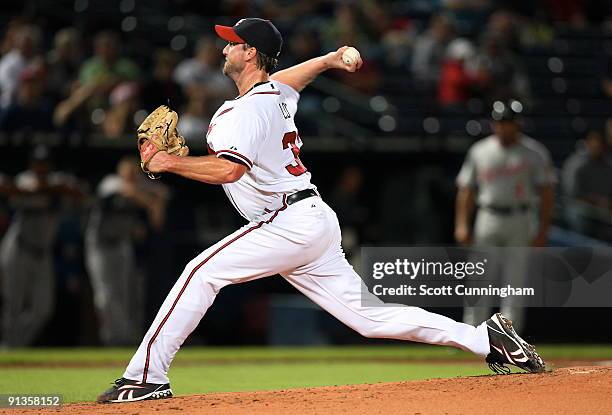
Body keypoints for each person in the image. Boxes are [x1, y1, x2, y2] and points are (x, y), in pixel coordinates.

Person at [97, 19, 545, 404]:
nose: (224, 47)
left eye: (233, 42)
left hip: (288, 221)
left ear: (250, 53)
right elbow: (293, 77)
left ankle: (146, 377)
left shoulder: (248, 110)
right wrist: (329, 59)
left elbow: (231, 172)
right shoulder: (273, 94)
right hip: (310, 220)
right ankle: (486, 338)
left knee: (200, 271)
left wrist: (167, 162)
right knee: (370, 318)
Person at [455, 100, 555, 333]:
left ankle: (511, 338)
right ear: (493, 124)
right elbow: (466, 190)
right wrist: (461, 224)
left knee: (515, 283)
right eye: (500, 122)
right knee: (479, 279)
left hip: (520, 217)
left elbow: (547, 193)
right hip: (488, 215)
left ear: (518, 124)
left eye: (509, 122)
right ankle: (471, 333)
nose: (504, 127)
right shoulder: (480, 150)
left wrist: (542, 230)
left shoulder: (534, 153)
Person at [0, 146, 82, 346]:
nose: (41, 167)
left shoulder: (57, 180)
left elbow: (78, 193)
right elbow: (14, 190)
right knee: (13, 304)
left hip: (43, 253)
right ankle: (9, 347)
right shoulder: (24, 179)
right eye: (38, 163)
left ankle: (15, 344)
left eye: (45, 163)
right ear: (32, 165)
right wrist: (50, 191)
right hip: (19, 248)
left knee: (43, 309)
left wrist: (55, 189)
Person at [85, 156, 168, 346]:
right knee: (105, 295)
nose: (129, 176)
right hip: (99, 245)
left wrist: (156, 202)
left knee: (125, 294)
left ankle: (124, 338)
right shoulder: (111, 183)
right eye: (126, 171)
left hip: (121, 245)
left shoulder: (140, 187)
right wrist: (151, 202)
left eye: (133, 172)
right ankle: (111, 338)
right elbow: (129, 193)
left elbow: (162, 198)